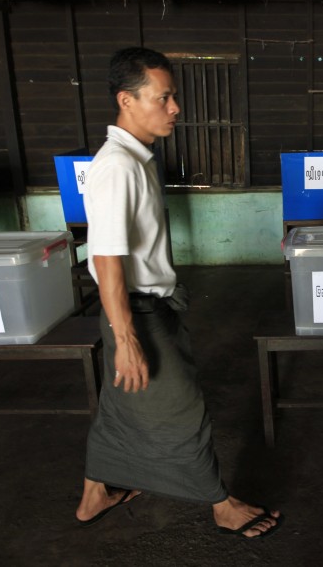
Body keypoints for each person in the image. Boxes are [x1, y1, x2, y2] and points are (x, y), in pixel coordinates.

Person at [74, 47, 282, 539]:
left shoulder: (136, 159)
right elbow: (105, 257)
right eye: (163, 98)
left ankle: (93, 496)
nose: (175, 108)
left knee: (120, 405)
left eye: (173, 97)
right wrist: (126, 339)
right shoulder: (117, 167)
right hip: (136, 312)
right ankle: (221, 503)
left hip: (144, 305)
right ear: (127, 100)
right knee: (183, 407)